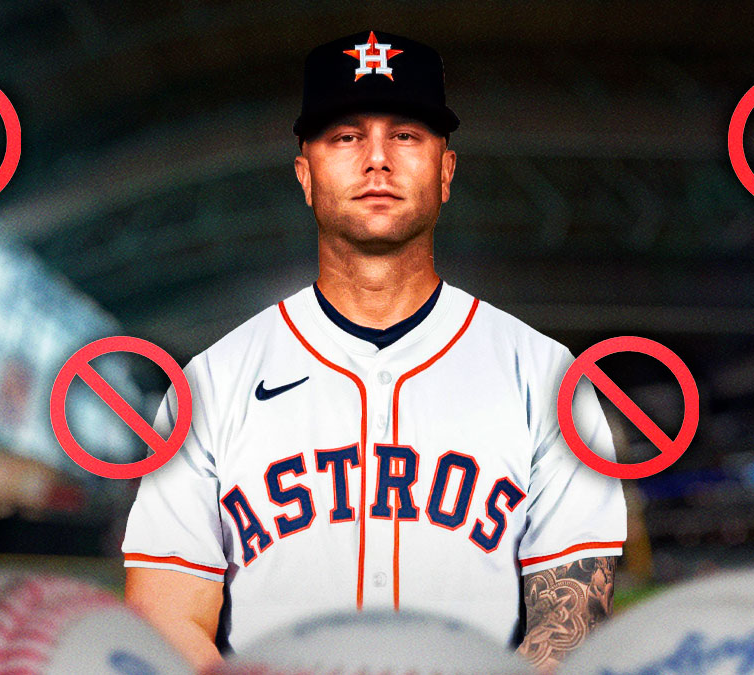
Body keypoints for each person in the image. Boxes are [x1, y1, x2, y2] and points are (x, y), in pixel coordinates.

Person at [122, 30, 627, 674]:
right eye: (345, 136)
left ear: (446, 171)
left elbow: (573, 617)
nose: (377, 159)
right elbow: (167, 617)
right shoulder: (209, 386)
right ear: (305, 175)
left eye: (407, 135)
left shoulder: (550, 379)